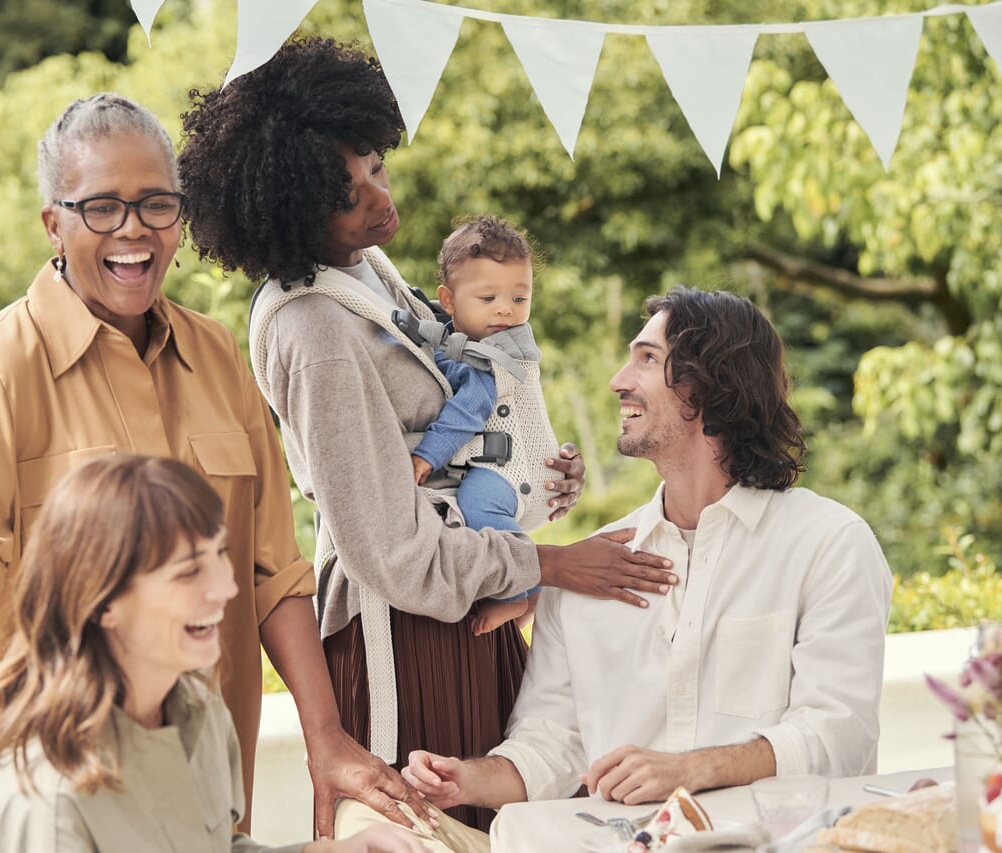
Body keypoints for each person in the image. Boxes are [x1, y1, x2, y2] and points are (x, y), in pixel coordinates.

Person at [0, 93, 428, 848]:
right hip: (70, 783)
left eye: (155, 205)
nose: (133, 230)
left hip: (202, 776)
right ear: (55, 222)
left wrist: (326, 736)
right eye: (102, 208)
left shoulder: (216, 355)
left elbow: (273, 569)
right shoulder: (1, 368)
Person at [178, 38, 677, 838]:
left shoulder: (365, 271)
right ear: (296, 213)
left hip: (461, 613)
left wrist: (531, 475)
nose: (382, 200)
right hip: (406, 644)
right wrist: (552, 565)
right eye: (351, 194)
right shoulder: (313, 327)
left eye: (375, 165)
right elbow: (393, 551)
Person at [404, 286, 894, 813]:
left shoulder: (829, 544)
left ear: (710, 384)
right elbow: (551, 745)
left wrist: (689, 770)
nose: (619, 381)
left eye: (647, 359)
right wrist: (467, 781)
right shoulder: (593, 567)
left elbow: (839, 736)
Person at [0, 454, 426, 853]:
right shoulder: (46, 801)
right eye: (188, 573)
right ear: (102, 600)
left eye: (219, 557)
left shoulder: (198, 713)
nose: (225, 589)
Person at [408, 215, 556, 636]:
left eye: (520, 298)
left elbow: (470, 407)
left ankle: (520, 592)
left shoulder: (493, 354)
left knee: (479, 508)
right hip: (504, 459)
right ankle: (522, 589)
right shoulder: (468, 341)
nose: (506, 310)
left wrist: (426, 456)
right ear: (449, 300)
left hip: (512, 469)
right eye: (488, 297)